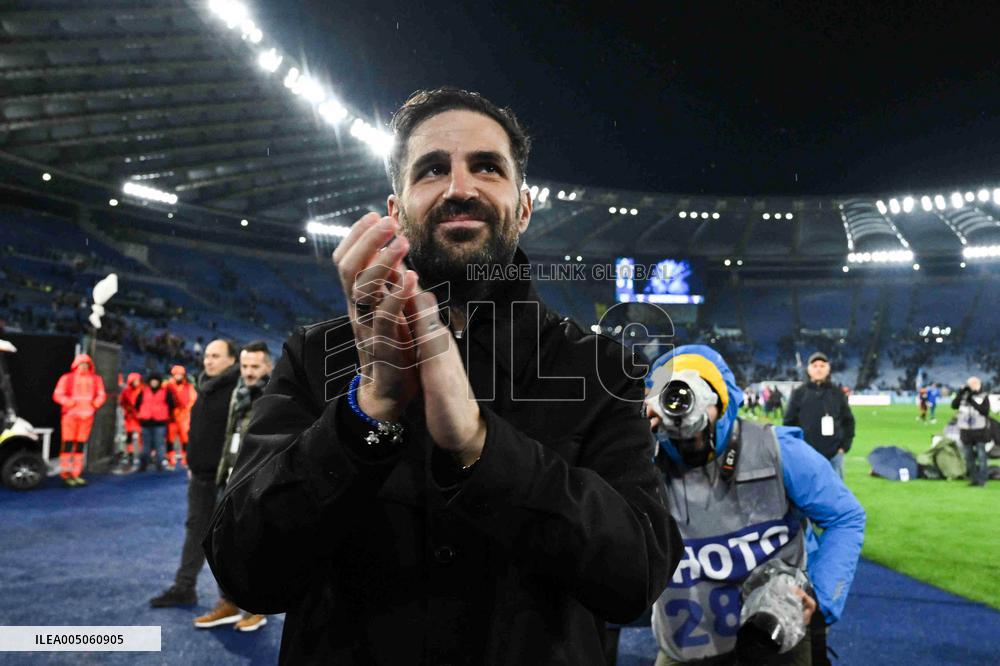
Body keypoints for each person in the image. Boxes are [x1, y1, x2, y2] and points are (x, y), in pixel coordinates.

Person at [204, 87, 680, 665]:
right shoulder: (315, 355)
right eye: (432, 169)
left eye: (487, 167)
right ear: (396, 209)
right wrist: (366, 413)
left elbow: (637, 581)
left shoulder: (600, 368)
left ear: (523, 208)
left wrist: (482, 446)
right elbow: (247, 572)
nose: (460, 188)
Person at [645, 345, 866, 665]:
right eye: (671, 399)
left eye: (695, 394)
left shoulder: (777, 449)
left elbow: (845, 515)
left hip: (774, 638)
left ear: (723, 401)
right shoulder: (641, 461)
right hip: (684, 641)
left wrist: (820, 600)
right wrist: (630, 439)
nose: (684, 416)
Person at [150, 339, 239, 610]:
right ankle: (184, 587)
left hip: (224, 478)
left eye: (215, 356)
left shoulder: (238, 391)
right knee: (195, 533)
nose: (208, 361)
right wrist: (192, 463)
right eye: (207, 356)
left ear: (231, 360)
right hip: (200, 475)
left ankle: (232, 598)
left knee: (226, 539)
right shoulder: (205, 387)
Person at [200, 341, 274, 632]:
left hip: (254, 487)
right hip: (228, 482)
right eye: (245, 366)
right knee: (223, 548)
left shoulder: (277, 397)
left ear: (268, 366)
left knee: (254, 550)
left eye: (255, 366)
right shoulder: (238, 394)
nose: (249, 372)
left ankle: (256, 608)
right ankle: (228, 603)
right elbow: (230, 435)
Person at [784, 352, 855, 478]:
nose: (818, 369)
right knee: (808, 493)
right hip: (806, 454)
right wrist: (796, 448)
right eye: (815, 366)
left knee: (835, 494)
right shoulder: (799, 393)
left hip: (833, 455)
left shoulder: (837, 393)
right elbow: (788, 423)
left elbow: (848, 421)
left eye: (822, 366)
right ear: (809, 369)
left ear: (828, 369)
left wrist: (844, 447)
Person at [51, 353, 107, 487]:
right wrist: (69, 403)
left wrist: (95, 404)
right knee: (68, 445)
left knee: (80, 446)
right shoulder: (67, 378)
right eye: (81, 364)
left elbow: (101, 394)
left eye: (86, 364)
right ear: (76, 365)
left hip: (87, 416)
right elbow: (57, 394)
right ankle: (66, 474)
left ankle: (76, 473)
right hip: (70, 415)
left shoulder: (96, 379)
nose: (83, 366)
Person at [951, 377, 992, 487]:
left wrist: (971, 401)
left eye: (974, 384)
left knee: (982, 456)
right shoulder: (963, 396)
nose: (972, 386)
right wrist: (960, 394)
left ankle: (982, 480)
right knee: (968, 457)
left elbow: (985, 411)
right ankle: (973, 479)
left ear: (978, 385)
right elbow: (954, 405)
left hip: (980, 431)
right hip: (965, 431)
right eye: (970, 384)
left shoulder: (983, 396)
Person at [135, 372, 174, 472]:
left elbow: (171, 405)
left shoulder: (166, 392)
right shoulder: (143, 391)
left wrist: (165, 415)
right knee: (145, 445)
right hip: (146, 422)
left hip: (160, 422)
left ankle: (159, 465)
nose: (154, 383)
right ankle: (143, 464)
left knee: (159, 444)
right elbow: (137, 404)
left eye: (156, 381)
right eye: (152, 381)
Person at [166, 364, 197, 469]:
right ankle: (171, 460)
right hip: (171, 417)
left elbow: (193, 400)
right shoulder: (167, 386)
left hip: (184, 417)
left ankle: (185, 460)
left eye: (180, 375)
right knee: (170, 439)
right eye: (176, 374)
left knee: (185, 439)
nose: (178, 376)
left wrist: (186, 410)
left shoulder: (189, 386)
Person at [117, 372, 144, 470]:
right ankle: (130, 453)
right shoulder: (126, 391)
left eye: (137, 380)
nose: (136, 382)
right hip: (130, 417)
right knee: (129, 436)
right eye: (134, 381)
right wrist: (128, 409)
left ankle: (142, 454)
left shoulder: (142, 390)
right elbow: (122, 402)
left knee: (142, 436)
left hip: (140, 416)